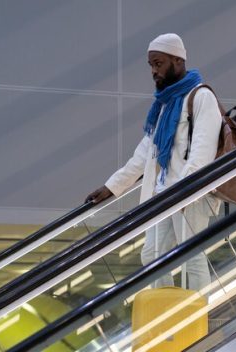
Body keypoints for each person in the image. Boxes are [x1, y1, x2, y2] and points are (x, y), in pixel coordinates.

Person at [85, 33, 222, 292]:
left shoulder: (201, 97)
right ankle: (166, 314)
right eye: (151, 65)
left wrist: (185, 192)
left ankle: (201, 316)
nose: (153, 71)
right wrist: (112, 187)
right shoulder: (164, 104)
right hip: (164, 194)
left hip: (189, 194)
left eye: (158, 64)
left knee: (192, 256)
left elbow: (202, 153)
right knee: (152, 256)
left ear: (178, 61)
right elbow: (145, 152)